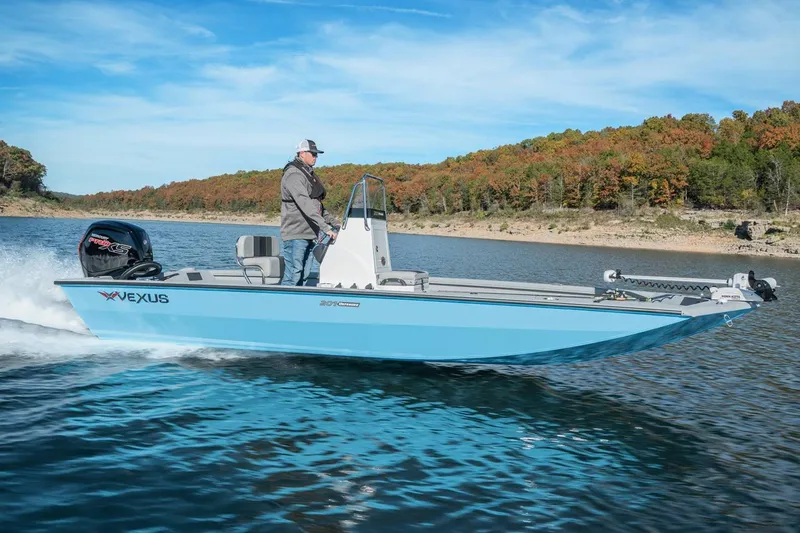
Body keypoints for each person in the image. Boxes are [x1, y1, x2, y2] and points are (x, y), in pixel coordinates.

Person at [279, 139, 339, 286]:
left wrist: (336, 223)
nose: (315, 157)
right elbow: (305, 203)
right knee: (294, 274)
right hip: (296, 233)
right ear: (302, 153)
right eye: (313, 154)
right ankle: (284, 299)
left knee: (305, 275)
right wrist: (326, 228)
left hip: (310, 234)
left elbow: (318, 206)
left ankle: (299, 300)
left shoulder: (308, 174)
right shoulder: (293, 175)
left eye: (316, 154)